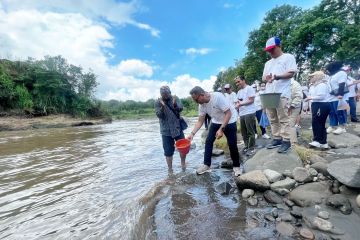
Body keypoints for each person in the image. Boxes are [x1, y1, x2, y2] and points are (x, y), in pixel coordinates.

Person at [187, 86, 242, 176]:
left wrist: (221, 129)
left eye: (196, 99)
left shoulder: (217, 97)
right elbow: (200, 121)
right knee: (208, 141)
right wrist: (192, 134)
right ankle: (206, 165)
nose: (196, 102)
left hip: (230, 119)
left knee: (232, 144)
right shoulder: (201, 105)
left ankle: (236, 166)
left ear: (202, 94)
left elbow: (228, 113)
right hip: (216, 121)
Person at [262, 36, 298, 153]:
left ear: (279, 46)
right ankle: (276, 138)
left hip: (282, 93)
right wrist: (267, 78)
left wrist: (277, 76)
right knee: (272, 118)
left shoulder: (288, 57)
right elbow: (263, 77)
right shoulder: (268, 63)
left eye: (272, 49)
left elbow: (291, 73)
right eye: (268, 50)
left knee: (283, 118)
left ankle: (286, 140)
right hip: (269, 93)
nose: (270, 52)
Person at [155, 86, 186, 170]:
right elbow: (159, 115)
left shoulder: (175, 98)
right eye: (163, 94)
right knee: (168, 152)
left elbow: (180, 108)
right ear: (161, 94)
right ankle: (170, 169)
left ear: (170, 92)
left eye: (166, 93)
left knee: (183, 148)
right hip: (166, 131)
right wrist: (162, 107)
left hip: (177, 128)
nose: (165, 95)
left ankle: (183, 164)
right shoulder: (158, 102)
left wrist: (175, 105)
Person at [304, 71, 331, 149]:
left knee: (317, 122)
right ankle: (323, 142)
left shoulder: (322, 85)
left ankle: (317, 140)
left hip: (321, 104)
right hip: (316, 104)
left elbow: (321, 96)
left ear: (317, 77)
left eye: (312, 76)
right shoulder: (313, 85)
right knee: (320, 123)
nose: (310, 78)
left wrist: (310, 98)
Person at [235, 76, 257, 156]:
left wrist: (240, 103)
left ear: (243, 80)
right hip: (242, 113)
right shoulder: (239, 92)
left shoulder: (249, 88)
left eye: (238, 81)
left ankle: (252, 147)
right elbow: (237, 102)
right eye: (236, 82)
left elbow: (251, 100)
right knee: (244, 132)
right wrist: (237, 105)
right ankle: (246, 146)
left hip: (250, 112)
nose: (237, 84)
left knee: (250, 131)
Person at [325, 61, 348, 135]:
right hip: (331, 97)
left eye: (328, 69)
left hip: (338, 96)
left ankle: (342, 127)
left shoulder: (341, 73)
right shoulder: (332, 75)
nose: (327, 71)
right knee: (332, 112)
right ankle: (333, 126)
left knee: (340, 112)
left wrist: (340, 94)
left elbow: (342, 84)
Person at [288, 79, 303, 145]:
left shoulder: (295, 84)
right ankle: (287, 139)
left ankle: (293, 142)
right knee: (286, 123)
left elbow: (299, 96)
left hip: (294, 107)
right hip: (286, 107)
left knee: (291, 124)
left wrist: (292, 106)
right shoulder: (284, 83)